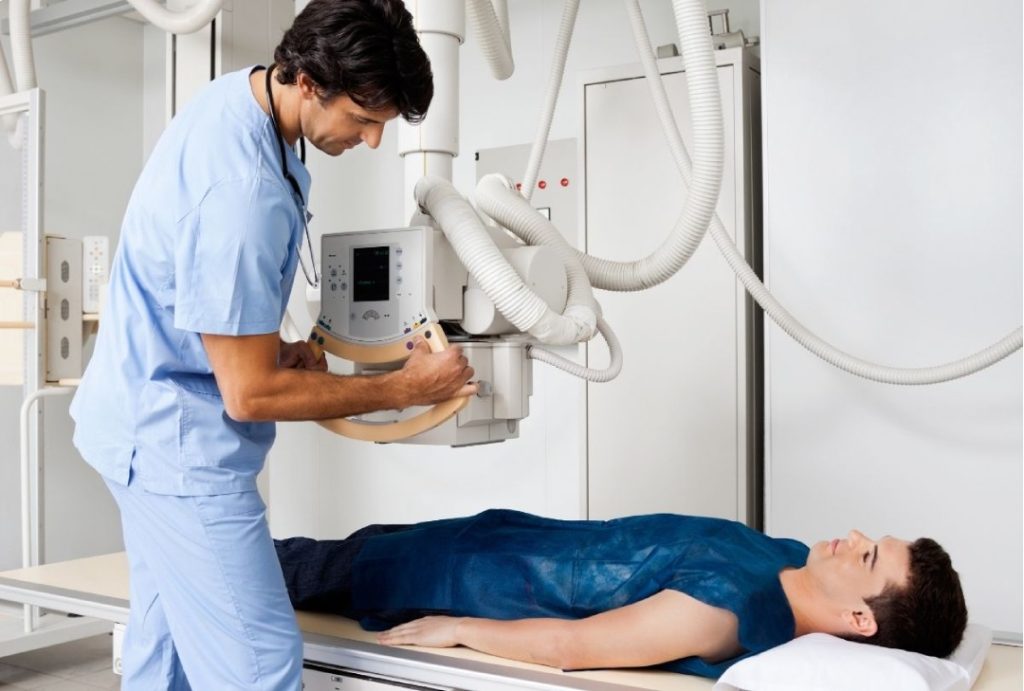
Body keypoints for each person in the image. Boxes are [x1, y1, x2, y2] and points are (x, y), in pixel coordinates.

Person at [69, 1, 475, 688]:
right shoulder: (242, 191)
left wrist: (276, 350)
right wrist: (405, 389)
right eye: (365, 118)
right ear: (310, 83)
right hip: (175, 451)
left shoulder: (244, 99)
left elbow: (203, 307)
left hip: (139, 418)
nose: (372, 140)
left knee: (164, 652)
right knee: (257, 666)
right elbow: (250, 393)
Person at [274, 508, 968, 679]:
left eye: (870, 554)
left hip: (469, 581)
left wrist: (459, 627)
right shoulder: (788, 558)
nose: (853, 534)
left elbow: (573, 646)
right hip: (496, 537)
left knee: (280, 568)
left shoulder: (729, 607)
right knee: (310, 552)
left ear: (858, 618)